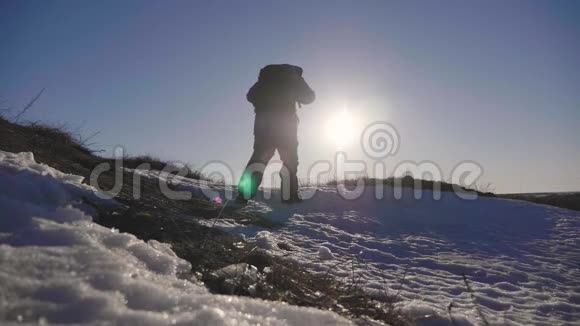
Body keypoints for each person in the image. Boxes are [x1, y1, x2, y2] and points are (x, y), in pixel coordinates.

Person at [237, 64, 315, 203]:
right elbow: (309, 97)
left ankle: (243, 195)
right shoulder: (294, 77)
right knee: (289, 159)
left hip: (263, 123)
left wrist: (263, 106)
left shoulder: (265, 78)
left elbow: (250, 96)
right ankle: (289, 196)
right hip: (286, 125)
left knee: (259, 158)